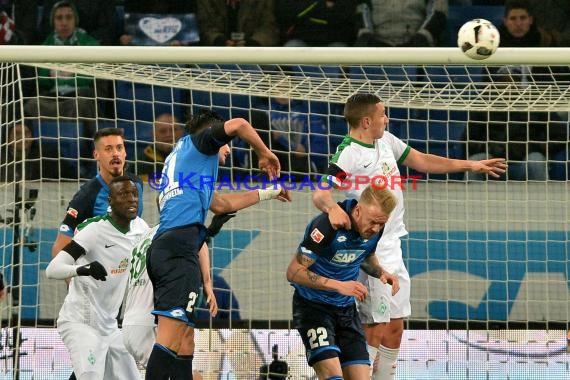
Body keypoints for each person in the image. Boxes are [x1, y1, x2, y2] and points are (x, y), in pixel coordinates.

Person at [312, 93, 506, 380]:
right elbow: (321, 191)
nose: (386, 118)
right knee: (373, 326)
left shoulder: (386, 140)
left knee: (394, 325)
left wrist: (471, 165)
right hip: (371, 250)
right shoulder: (349, 153)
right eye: (383, 114)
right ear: (367, 121)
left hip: (394, 244)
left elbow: (421, 160)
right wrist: (332, 209)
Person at [145, 109, 282, 380]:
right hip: (178, 251)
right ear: (214, 136)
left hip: (169, 248)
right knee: (169, 341)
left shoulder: (182, 158)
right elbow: (240, 124)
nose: (229, 149)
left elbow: (222, 205)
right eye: (226, 142)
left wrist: (271, 192)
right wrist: (264, 153)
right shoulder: (200, 143)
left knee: (185, 340)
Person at [287, 184, 400, 380]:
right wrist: (339, 285)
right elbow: (293, 272)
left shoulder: (376, 228)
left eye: (381, 224)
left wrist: (381, 271)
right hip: (313, 308)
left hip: (346, 312)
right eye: (373, 222)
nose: (376, 229)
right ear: (357, 210)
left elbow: (366, 255)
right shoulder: (326, 227)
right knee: (333, 376)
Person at [45, 176, 150, 380]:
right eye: (123, 194)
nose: (131, 199)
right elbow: (53, 269)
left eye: (134, 194)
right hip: (81, 322)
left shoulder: (141, 229)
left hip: (110, 326)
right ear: (110, 201)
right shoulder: (93, 230)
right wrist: (83, 269)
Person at [51, 127, 143, 263]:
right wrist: (74, 283)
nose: (115, 154)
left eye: (119, 148)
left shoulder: (136, 184)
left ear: (125, 153)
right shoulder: (86, 196)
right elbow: (59, 247)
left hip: (126, 268)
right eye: (108, 149)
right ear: (96, 155)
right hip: (98, 276)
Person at [354, 0, 448, 47]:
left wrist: (423, 36)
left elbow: (438, 13)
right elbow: (362, 10)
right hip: (376, 46)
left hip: (416, 46)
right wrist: (365, 34)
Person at [0, 122, 65, 182]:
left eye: (26, 133)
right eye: (17, 133)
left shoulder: (49, 158)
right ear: (8, 138)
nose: (22, 137)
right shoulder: (2, 159)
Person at [196, 0, 279, 46]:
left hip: (254, 50)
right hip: (215, 50)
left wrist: (253, 43)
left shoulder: (264, 2)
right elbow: (203, 26)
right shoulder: (206, 2)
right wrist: (218, 40)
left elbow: (269, 27)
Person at [276, 0, 357, 47]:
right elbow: (293, 14)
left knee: (338, 50)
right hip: (302, 38)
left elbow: (344, 16)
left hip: (335, 40)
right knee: (292, 46)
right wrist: (321, 4)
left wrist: (310, 15)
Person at [39, 0, 116, 46]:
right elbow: (45, 27)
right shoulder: (47, 43)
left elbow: (108, 28)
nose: (64, 23)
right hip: (55, 50)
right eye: (59, 18)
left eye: (69, 17)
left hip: (89, 49)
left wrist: (83, 43)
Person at [136, 113, 185, 182]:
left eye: (174, 129)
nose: (169, 134)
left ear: (181, 132)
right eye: (163, 131)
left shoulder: (194, 158)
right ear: (153, 135)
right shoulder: (139, 164)